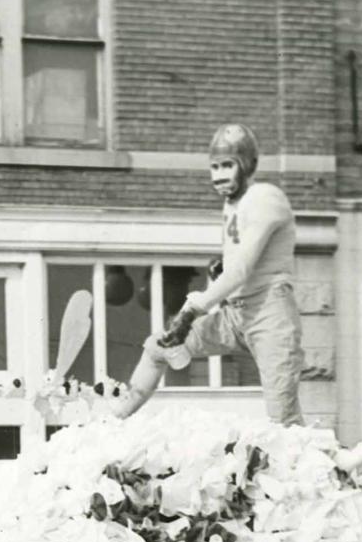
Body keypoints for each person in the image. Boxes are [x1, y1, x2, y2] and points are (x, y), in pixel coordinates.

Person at [115, 122, 304, 424]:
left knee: (284, 420)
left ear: (246, 164)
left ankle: (357, 468)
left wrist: (192, 309)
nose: (219, 175)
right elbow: (237, 264)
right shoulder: (232, 205)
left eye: (228, 165)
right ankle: (115, 418)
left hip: (270, 312)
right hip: (235, 315)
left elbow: (241, 269)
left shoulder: (265, 197)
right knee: (158, 347)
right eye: (214, 167)